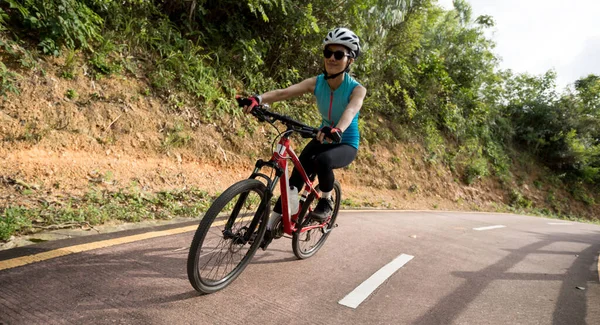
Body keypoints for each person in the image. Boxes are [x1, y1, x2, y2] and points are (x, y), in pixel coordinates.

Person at [239, 27, 367, 222]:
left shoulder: (357, 89)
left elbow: (351, 111)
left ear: (349, 60)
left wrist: (337, 129)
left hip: (345, 143)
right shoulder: (317, 83)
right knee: (294, 181)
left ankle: (326, 201)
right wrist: (258, 98)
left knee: (323, 161)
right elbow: (284, 93)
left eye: (339, 54)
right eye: (328, 52)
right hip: (323, 137)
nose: (332, 58)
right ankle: (272, 224)